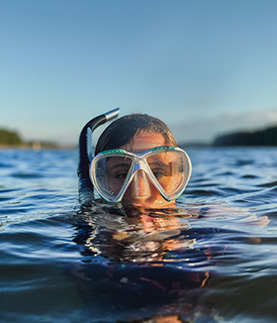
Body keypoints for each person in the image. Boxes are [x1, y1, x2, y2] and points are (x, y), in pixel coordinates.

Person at [89, 112, 192, 210]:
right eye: (122, 175)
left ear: (178, 179)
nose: (140, 194)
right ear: (101, 182)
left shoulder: (203, 218)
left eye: (157, 173)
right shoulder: (88, 223)